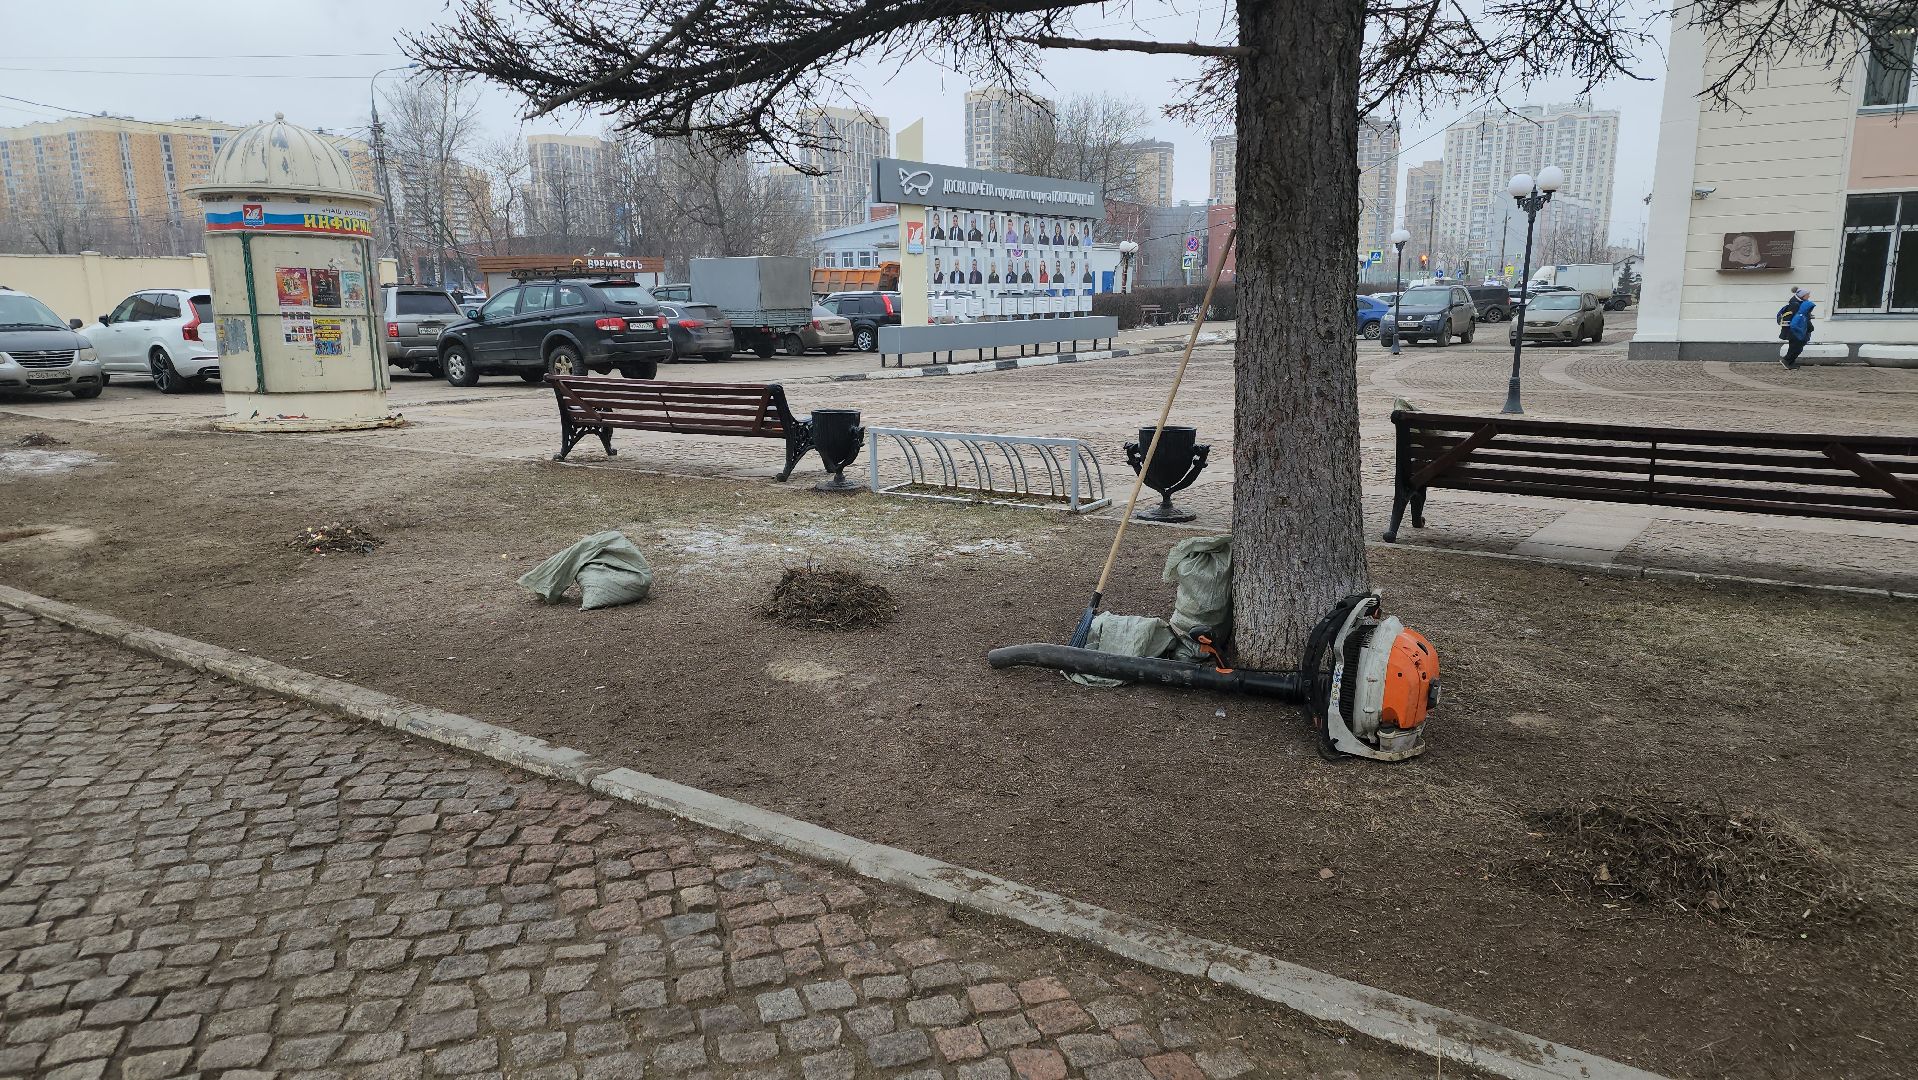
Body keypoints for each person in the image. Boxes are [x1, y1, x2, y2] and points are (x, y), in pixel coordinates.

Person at [1777, 286, 1815, 370]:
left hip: (1797, 328)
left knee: (1797, 346)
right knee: (1795, 347)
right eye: (1807, 295)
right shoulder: (1795, 304)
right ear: (1802, 295)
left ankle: (1790, 362)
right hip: (1794, 329)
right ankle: (1786, 361)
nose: (1809, 296)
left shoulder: (1799, 303)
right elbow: (1797, 318)